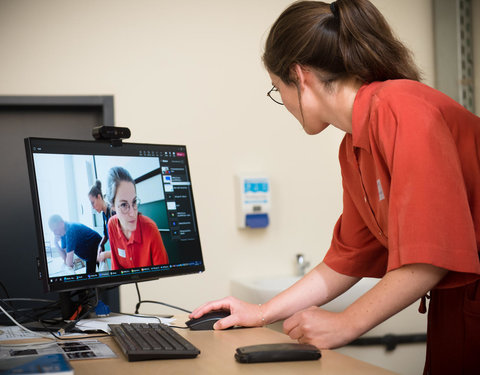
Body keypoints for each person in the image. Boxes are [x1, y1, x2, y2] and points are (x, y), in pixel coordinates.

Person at [190, 1, 480, 374]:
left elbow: (429, 258)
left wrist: (345, 323)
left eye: (278, 90)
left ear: (300, 76)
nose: (285, 105)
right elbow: (347, 259)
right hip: (457, 303)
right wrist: (260, 312)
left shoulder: (401, 108)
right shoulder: (354, 147)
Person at [106, 166, 169, 270]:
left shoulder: (150, 229)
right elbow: (116, 268)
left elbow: (163, 276)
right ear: (112, 206)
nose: (132, 213)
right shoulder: (111, 225)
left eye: (134, 202)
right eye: (123, 205)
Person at [88, 180, 113, 263]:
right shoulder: (104, 214)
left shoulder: (112, 212)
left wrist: (104, 255)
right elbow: (106, 234)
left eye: (93, 203)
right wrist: (100, 245)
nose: (92, 207)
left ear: (99, 197)